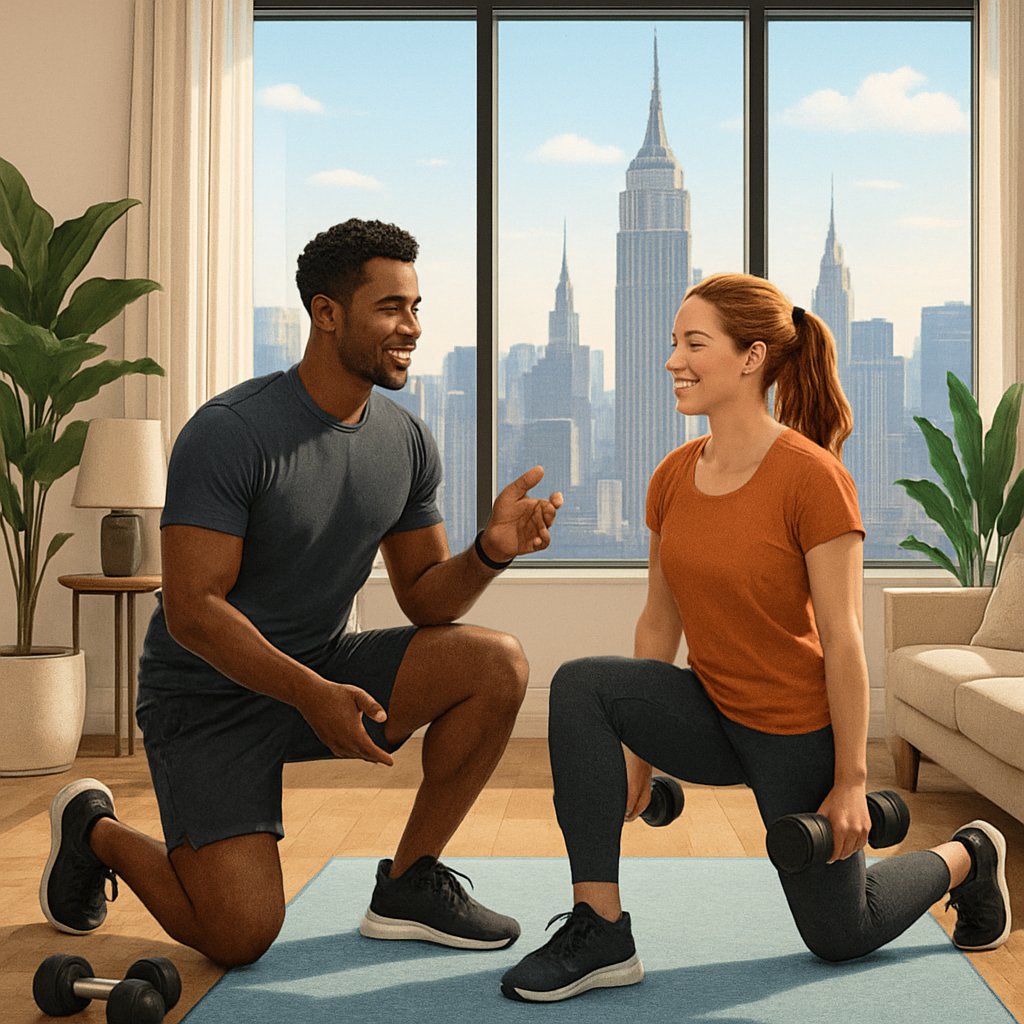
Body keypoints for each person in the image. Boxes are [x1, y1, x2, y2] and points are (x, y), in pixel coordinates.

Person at [40, 218, 563, 967]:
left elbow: (425, 600)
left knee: (496, 663)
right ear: (327, 313)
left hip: (321, 669)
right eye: (390, 308)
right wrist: (311, 693)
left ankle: (410, 883)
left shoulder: (406, 441)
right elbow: (192, 610)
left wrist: (490, 551)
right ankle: (94, 827)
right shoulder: (231, 432)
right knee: (239, 936)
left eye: (416, 307)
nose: (412, 327)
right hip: (205, 699)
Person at [500, 272, 1011, 1003]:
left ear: (752, 357)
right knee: (583, 683)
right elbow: (658, 622)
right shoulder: (672, 476)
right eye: (673, 342)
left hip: (792, 730)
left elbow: (842, 639)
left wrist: (851, 782)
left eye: (694, 343)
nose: (674, 359)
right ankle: (601, 929)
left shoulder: (812, 478)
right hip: (709, 712)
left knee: (840, 935)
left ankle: (969, 854)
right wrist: (636, 760)